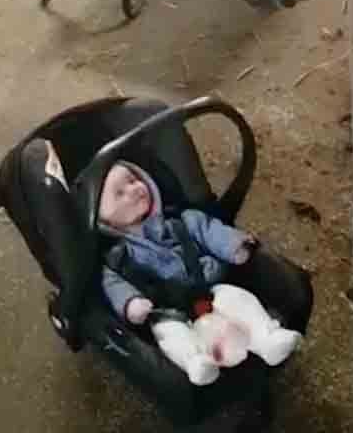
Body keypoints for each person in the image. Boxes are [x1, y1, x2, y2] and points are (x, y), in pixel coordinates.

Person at [83, 154, 303, 385]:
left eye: (133, 180)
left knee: (239, 300)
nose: (134, 189)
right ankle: (196, 362)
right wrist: (130, 303)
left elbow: (210, 231)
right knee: (170, 335)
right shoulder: (117, 258)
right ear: (102, 219)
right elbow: (112, 284)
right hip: (165, 311)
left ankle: (266, 339)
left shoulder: (183, 220)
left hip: (210, 290)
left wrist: (233, 245)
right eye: (120, 193)